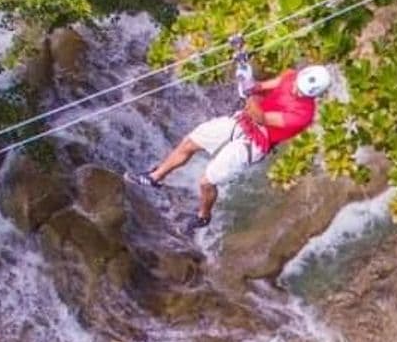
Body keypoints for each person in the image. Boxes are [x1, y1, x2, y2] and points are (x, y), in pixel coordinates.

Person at [125, 64, 332, 232]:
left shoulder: (303, 115)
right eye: (297, 85)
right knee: (190, 142)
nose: (296, 90)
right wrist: (248, 79)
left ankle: (203, 216)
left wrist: (248, 92)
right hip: (242, 121)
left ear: (312, 95)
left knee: (207, 182)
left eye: (302, 92)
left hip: (256, 142)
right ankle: (154, 178)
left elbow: (260, 117)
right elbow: (262, 87)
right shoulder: (291, 76)